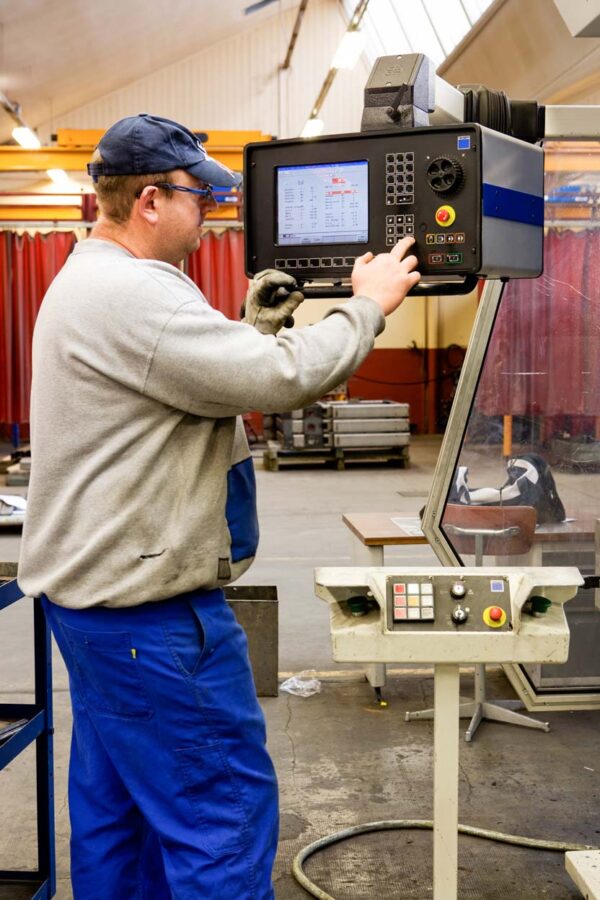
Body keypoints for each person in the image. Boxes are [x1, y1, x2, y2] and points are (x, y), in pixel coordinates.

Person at [18, 113, 420, 900]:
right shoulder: (134, 293)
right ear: (149, 201)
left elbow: (187, 384)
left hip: (95, 613)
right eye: (199, 200)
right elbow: (280, 378)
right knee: (219, 815)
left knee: (120, 818)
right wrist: (367, 305)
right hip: (152, 623)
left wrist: (254, 326)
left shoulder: (91, 278)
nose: (209, 217)